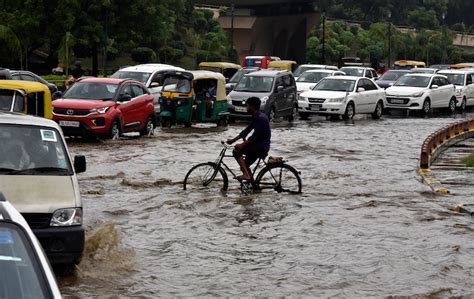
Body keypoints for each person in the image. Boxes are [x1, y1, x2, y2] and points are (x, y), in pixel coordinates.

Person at [227, 97, 271, 181]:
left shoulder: (260, 118)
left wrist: (242, 145)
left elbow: (255, 136)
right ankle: (252, 184)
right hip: (259, 144)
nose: (246, 108)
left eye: (247, 106)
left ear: (252, 106)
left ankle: (246, 175)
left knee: (236, 151)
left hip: (261, 146)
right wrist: (233, 140)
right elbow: (246, 131)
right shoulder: (257, 116)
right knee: (245, 165)